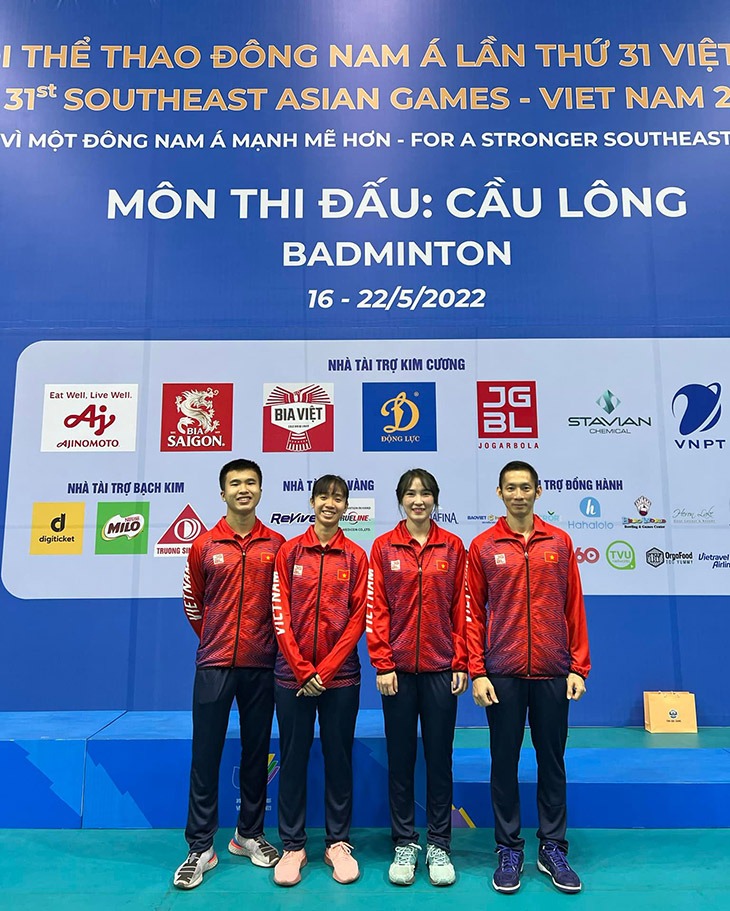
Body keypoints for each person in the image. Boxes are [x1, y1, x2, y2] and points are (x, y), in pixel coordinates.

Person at [466, 461, 590, 894]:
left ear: (539, 491)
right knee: (504, 763)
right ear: (499, 493)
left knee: (552, 763)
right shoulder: (482, 546)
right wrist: (476, 671)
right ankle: (509, 848)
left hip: (554, 671)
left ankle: (552, 847)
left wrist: (578, 666)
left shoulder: (560, 541)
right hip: (502, 674)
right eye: (510, 488)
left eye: (526, 487)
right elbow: (472, 614)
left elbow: (573, 606)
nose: (519, 494)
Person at [173, 459, 286, 890]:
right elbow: (193, 602)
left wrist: (256, 645)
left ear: (260, 490)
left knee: (258, 753)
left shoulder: (277, 545)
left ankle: (249, 835)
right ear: (222, 493)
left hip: (262, 666)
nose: (243, 489)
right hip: (214, 665)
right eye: (235, 483)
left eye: (251, 482)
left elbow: (283, 607)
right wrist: (216, 641)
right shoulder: (203, 545)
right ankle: (201, 847)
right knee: (205, 755)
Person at [367, 469, 468, 887]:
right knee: (401, 760)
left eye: (425, 493)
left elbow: (462, 608)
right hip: (399, 675)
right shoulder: (383, 546)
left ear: (435, 499)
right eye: (411, 493)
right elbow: (378, 609)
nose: (418, 500)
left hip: (443, 671)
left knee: (439, 760)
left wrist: (461, 661)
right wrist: (383, 662)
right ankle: (405, 842)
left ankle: (440, 844)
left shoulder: (453, 546)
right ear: (401, 500)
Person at [271, 475, 368, 887]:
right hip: (291, 677)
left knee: (338, 758)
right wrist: (301, 669)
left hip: (340, 678)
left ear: (346, 505)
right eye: (324, 496)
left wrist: (324, 671)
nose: (330, 503)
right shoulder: (290, 551)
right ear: (312, 502)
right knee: (292, 758)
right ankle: (293, 846)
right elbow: (280, 612)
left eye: (339, 498)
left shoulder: (356, 556)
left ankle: (337, 843)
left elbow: (357, 619)